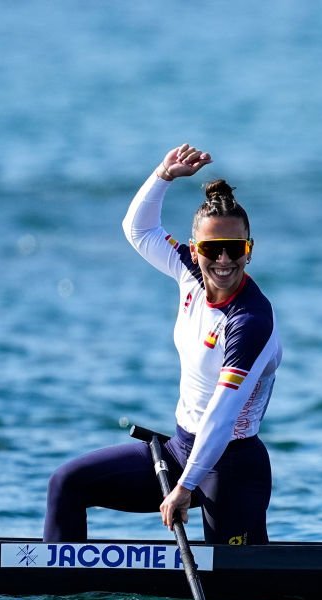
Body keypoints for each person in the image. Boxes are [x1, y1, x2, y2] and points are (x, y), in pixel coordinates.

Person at [44, 144, 282, 545]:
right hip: (179, 449)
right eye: (212, 249)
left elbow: (221, 418)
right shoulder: (188, 271)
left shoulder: (250, 322)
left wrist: (184, 488)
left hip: (232, 467)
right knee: (67, 484)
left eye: (235, 248)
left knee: (234, 582)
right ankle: (58, 584)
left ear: (250, 250)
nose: (223, 260)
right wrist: (163, 175)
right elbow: (138, 230)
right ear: (195, 249)